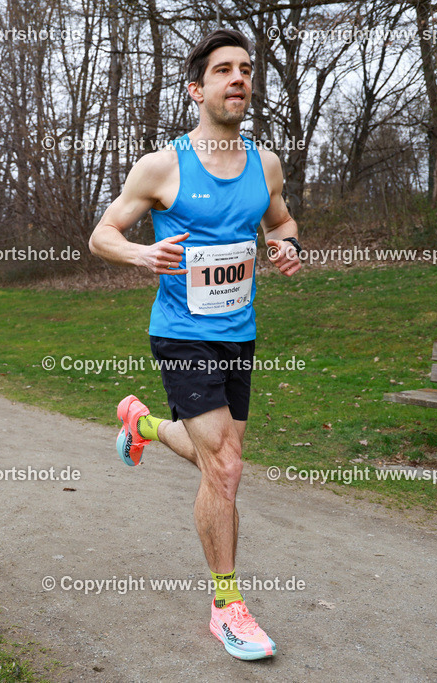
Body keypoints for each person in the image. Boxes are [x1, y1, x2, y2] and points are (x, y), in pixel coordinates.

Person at [88, 29, 301, 662]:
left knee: (224, 455)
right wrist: (139, 251)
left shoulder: (265, 164)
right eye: (224, 71)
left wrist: (287, 245)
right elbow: (102, 234)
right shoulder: (162, 166)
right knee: (227, 466)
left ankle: (144, 424)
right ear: (197, 88)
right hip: (181, 332)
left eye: (245, 70)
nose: (239, 79)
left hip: (240, 332)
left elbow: (282, 219)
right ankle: (227, 606)